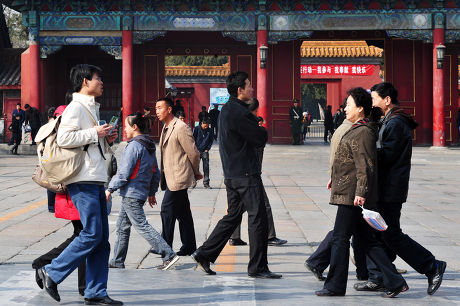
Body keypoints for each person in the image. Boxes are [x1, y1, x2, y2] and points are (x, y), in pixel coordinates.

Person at [37, 64, 122, 305]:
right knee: (92, 232)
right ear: (85, 81)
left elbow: (88, 143)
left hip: (95, 178)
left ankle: (95, 292)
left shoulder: (91, 108)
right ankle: (52, 272)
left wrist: (106, 138)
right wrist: (95, 133)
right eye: (98, 78)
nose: (102, 82)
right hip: (82, 179)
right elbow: (64, 138)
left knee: (101, 239)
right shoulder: (75, 108)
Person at [315, 87, 408, 298]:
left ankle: (335, 285)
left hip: (353, 195)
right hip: (350, 190)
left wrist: (361, 192)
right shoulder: (358, 128)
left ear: (360, 108)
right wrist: (335, 177)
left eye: (348, 105)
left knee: (340, 238)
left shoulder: (364, 131)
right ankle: (395, 281)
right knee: (368, 241)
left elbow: (365, 165)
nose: (345, 108)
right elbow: (349, 161)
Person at [356, 82, 447, 295]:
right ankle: (379, 277)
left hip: (390, 189)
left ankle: (431, 266)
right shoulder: (390, 120)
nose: (372, 101)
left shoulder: (396, 123)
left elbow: (386, 155)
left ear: (387, 100)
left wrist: (363, 151)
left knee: (390, 234)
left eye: (375, 98)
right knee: (377, 234)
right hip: (385, 187)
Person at [191, 71, 281, 279]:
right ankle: (257, 267)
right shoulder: (240, 113)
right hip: (245, 173)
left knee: (232, 216)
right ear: (240, 90)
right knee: (258, 217)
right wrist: (261, 127)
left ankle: (204, 253)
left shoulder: (227, 109)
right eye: (249, 86)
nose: (252, 89)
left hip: (232, 173)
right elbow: (260, 137)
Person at [106, 112, 180, 271]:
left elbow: (124, 173)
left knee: (141, 225)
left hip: (131, 193)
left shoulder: (133, 146)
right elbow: (155, 171)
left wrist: (109, 189)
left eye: (126, 126)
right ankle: (117, 261)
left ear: (134, 127)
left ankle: (169, 254)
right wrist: (152, 192)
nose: (124, 129)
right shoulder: (149, 145)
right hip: (138, 192)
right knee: (121, 227)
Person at [229, 99, 287, 247]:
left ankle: (234, 237)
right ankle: (269, 236)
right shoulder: (250, 127)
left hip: (235, 173)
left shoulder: (236, 123)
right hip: (250, 174)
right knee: (264, 205)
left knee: (235, 208)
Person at [156, 97, 202, 256]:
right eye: (156, 109)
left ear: (169, 110)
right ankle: (189, 246)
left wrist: (195, 172)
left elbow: (193, 153)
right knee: (183, 213)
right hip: (170, 176)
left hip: (179, 177)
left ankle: (165, 249)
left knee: (166, 210)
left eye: (160, 108)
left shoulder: (180, 127)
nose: (157, 112)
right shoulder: (166, 127)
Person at [193, 117, 214, 189]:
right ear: (202, 123)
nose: (206, 127)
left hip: (205, 151)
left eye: (207, 126)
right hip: (196, 151)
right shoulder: (196, 129)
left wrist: (207, 149)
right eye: (205, 125)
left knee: (206, 167)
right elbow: (193, 139)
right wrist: (194, 149)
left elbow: (211, 140)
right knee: (195, 167)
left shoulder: (210, 130)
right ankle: (193, 182)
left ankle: (206, 183)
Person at [45, 106, 57, 213]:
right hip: (57, 157)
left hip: (47, 157)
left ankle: (51, 206)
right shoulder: (59, 125)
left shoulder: (45, 127)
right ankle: (56, 205)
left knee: (50, 184)